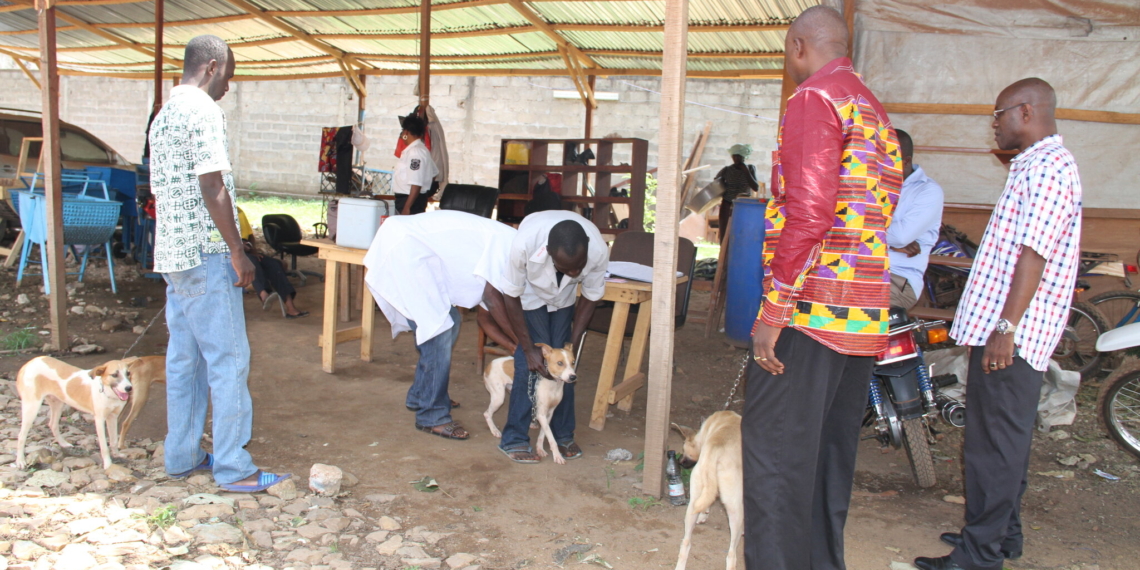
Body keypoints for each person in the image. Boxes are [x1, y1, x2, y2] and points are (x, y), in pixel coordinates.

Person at [744, 6, 902, 570]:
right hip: (860, 320)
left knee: (776, 465)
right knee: (825, 466)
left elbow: (809, 212)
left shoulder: (815, 100)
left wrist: (774, 309)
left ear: (797, 47)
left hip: (811, 315)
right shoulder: (875, 111)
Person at [914, 79, 1082, 570]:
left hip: (1014, 333)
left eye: (998, 114)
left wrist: (1007, 328)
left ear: (1025, 112)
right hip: (1000, 326)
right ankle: (1001, 533)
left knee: (995, 444)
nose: (994, 123)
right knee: (1001, 438)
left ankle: (979, 554)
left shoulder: (1050, 168)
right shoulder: (1032, 163)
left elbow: (1035, 255)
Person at [148, 35, 289, 493]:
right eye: (228, 75)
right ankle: (233, 467)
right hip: (207, 254)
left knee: (185, 360)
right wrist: (236, 249)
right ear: (211, 67)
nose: (228, 86)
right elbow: (213, 187)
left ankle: (183, 455)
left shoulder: (164, 114)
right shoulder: (204, 113)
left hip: (173, 255)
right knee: (228, 360)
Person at [363, 210, 517, 440]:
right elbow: (493, 303)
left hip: (416, 248)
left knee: (451, 321)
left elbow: (485, 316)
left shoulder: (511, 247)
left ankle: (421, 396)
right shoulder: (509, 248)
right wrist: (522, 343)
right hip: (405, 247)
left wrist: (516, 346)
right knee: (439, 330)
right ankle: (432, 416)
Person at [496, 210, 609, 464]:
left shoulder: (599, 250)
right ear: (548, 252)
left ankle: (562, 434)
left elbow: (590, 298)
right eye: (566, 267)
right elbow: (510, 296)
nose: (573, 273)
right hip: (529, 296)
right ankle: (514, 438)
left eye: (578, 267)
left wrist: (572, 344)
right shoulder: (524, 245)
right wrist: (527, 348)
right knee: (531, 363)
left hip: (564, 299)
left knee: (562, 366)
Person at [886, 129, 944, 309]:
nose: (877, 167)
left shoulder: (928, 191)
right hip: (858, 273)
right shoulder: (870, 186)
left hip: (896, 280)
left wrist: (868, 233)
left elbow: (901, 237)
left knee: (855, 318)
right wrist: (889, 243)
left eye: (885, 161)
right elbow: (841, 224)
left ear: (906, 162)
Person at [236, 207, 308, 319]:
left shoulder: (238, 211)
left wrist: (253, 249)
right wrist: (238, 247)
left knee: (274, 264)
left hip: (246, 248)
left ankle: (291, 308)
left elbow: (250, 235)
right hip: (231, 251)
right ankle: (264, 294)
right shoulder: (214, 211)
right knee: (253, 263)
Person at [713, 143, 759, 243]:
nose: (737, 158)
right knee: (725, 233)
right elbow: (715, 184)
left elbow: (755, 187)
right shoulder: (727, 170)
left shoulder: (750, 168)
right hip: (727, 204)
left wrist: (746, 171)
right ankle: (724, 256)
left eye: (739, 156)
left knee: (741, 232)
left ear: (744, 157)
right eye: (735, 156)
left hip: (744, 205)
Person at [393, 114, 438, 216]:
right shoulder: (420, 150)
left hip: (410, 201)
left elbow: (416, 183)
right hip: (414, 199)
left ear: (406, 132)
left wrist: (407, 207)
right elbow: (434, 173)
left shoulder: (415, 152)